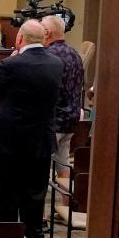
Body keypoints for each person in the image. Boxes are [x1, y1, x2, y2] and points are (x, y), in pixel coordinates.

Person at [0, 19, 63, 238]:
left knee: (6, 194)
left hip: (10, 139)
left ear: (20, 39)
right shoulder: (56, 64)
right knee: (35, 193)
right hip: (40, 138)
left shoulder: (11, 64)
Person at [42, 14, 86, 177]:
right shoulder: (75, 54)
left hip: (53, 120)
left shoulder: (48, 56)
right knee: (63, 163)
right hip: (71, 118)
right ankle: (65, 201)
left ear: (46, 33)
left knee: (41, 164)